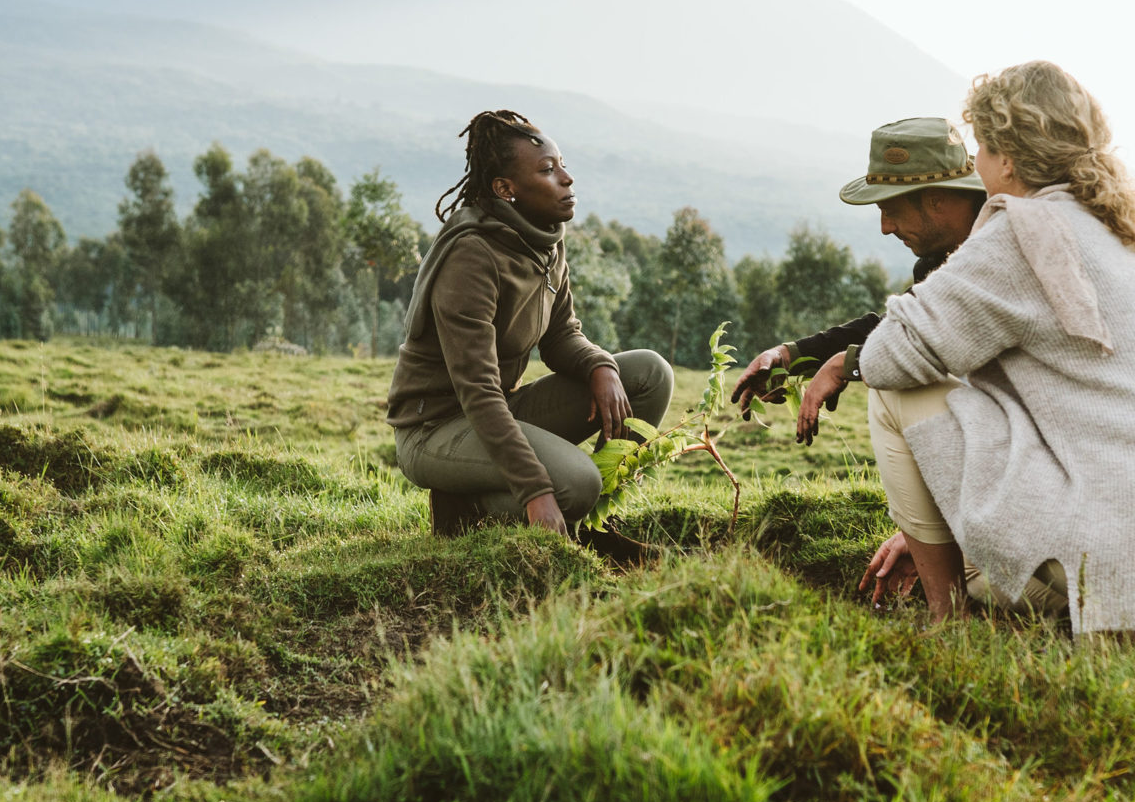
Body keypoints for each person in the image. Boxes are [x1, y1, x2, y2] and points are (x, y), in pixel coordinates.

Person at [855, 62, 1135, 640]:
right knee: (987, 571)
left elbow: (885, 357)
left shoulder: (1022, 230)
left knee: (895, 396)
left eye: (982, 148)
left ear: (1007, 158)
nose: (977, 165)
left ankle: (950, 626)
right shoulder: (1121, 229)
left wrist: (844, 364)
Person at [387, 109, 673, 565]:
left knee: (648, 375)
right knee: (575, 483)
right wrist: (537, 489)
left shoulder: (545, 240)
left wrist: (599, 365)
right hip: (436, 427)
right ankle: (468, 509)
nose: (567, 178)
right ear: (506, 189)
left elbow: (562, 336)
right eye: (547, 170)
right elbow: (478, 392)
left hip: (499, 408)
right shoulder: (471, 256)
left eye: (562, 164)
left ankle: (592, 527)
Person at [731, 116, 987, 442]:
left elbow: (941, 338)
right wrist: (788, 356)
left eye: (891, 210)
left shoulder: (997, 245)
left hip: (1042, 447)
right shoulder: (942, 258)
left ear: (935, 198)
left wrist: (848, 365)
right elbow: (895, 327)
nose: (885, 227)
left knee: (889, 391)